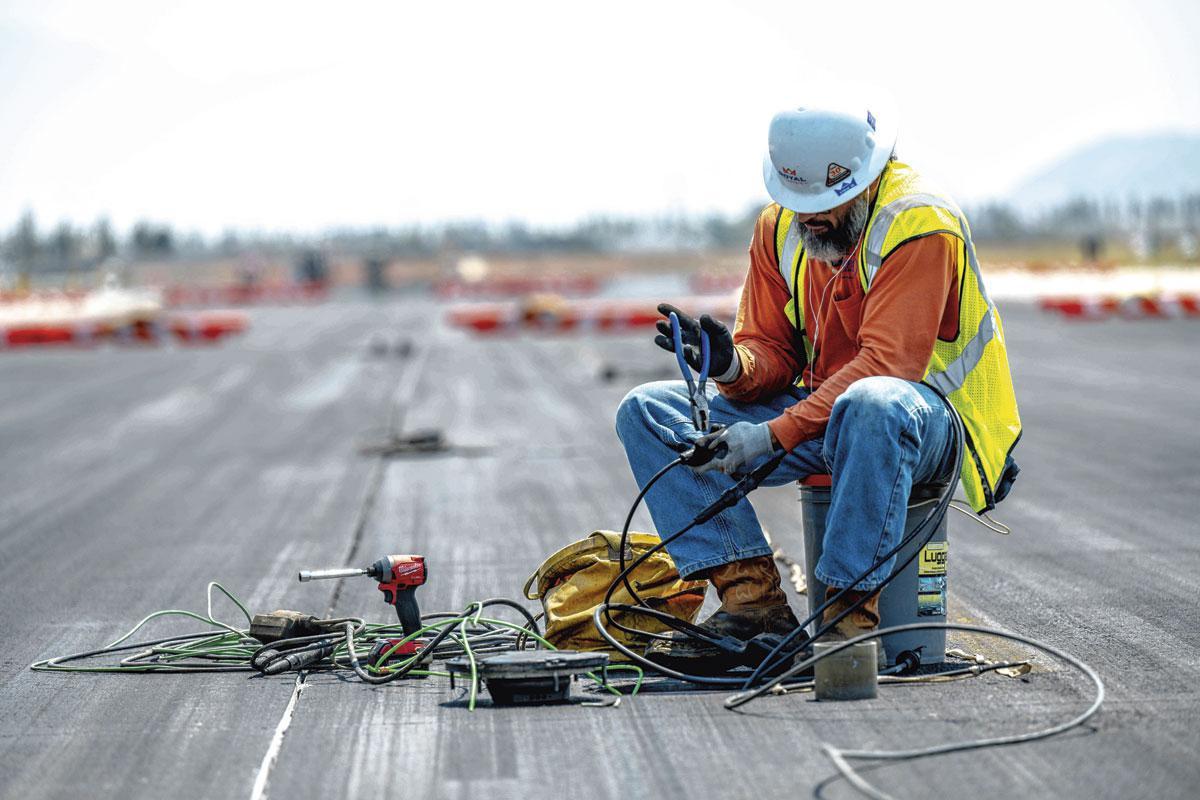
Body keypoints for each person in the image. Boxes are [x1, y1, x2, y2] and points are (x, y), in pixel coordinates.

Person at [615, 100, 1022, 666]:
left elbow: (887, 366)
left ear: (866, 179)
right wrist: (732, 366)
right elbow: (773, 352)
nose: (808, 219)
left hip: (927, 420)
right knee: (648, 411)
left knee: (872, 405)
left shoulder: (918, 221)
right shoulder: (780, 226)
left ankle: (844, 624)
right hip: (829, 410)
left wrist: (773, 435)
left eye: (824, 205)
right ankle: (751, 601)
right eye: (797, 203)